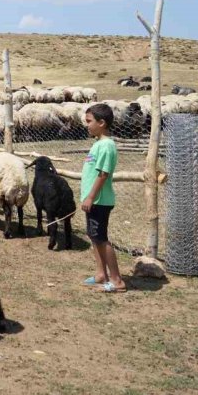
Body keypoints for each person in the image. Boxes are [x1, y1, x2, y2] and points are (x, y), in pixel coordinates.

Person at [80, 103, 126, 293]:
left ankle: (117, 281)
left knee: (102, 239)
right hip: (93, 201)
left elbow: (103, 174)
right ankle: (101, 274)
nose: (87, 125)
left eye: (89, 121)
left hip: (99, 201)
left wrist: (90, 197)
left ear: (101, 122)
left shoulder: (106, 146)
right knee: (94, 237)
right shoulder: (98, 143)